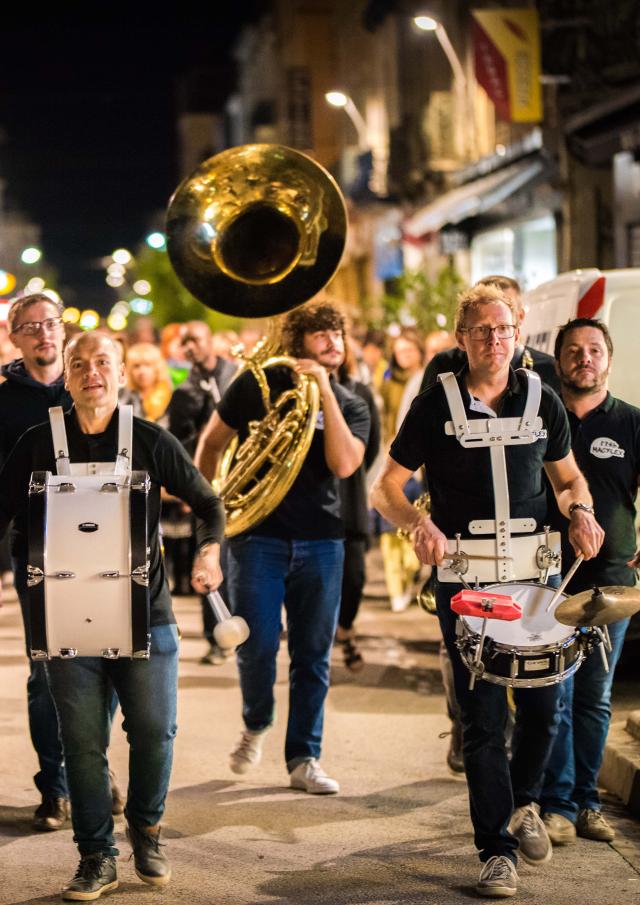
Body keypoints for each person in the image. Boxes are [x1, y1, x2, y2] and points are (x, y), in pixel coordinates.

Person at [371, 284, 604, 897]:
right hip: (467, 581)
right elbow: (385, 487)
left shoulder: (543, 398)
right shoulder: (434, 404)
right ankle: (495, 850)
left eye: (502, 329)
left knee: (544, 708)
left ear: (517, 334)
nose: (493, 340)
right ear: (462, 338)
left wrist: (580, 510)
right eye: (481, 330)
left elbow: (568, 478)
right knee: (481, 718)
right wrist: (416, 523)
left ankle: (524, 802)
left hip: (537, 577)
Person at [0, 331, 225, 900]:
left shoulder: (150, 439)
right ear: (67, 377)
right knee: (81, 743)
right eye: (79, 364)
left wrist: (208, 553)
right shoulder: (36, 442)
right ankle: (96, 856)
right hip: (64, 618)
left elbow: (207, 503)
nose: (91, 373)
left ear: (121, 373)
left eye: (103, 362)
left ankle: (146, 831)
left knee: (154, 731)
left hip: (147, 614)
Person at [195, 301, 370, 793]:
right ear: (298, 341)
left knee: (313, 655)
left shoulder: (353, 403)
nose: (332, 341)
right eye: (320, 334)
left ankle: (304, 757)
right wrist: (211, 503)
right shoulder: (258, 384)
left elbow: (344, 465)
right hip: (257, 538)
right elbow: (211, 443)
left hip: (323, 541)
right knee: (257, 646)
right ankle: (256, 723)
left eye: (337, 333)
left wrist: (324, 393)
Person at [540, 318, 640, 846]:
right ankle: (556, 803)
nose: (585, 358)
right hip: (547, 579)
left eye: (595, 350)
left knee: (594, 697)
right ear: (558, 361)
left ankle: (587, 802)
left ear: (609, 359)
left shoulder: (631, 421)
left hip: (612, 582)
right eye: (574, 350)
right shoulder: (541, 416)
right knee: (554, 694)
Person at [0, 293, 86, 830]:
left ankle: (91, 772)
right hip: (36, 549)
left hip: (101, 548)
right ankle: (55, 786)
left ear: (62, 329)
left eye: (50, 323)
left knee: (101, 664)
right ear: (15, 338)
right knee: (45, 672)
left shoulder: (90, 385)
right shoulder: (4, 403)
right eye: (30, 327)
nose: (43, 334)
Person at [166, 320, 236, 651]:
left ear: (210, 340)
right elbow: (179, 443)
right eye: (185, 342)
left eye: (195, 339)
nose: (190, 347)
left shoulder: (234, 376)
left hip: (240, 480)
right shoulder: (183, 391)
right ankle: (216, 635)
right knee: (209, 555)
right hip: (206, 483)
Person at [419, 276, 560, 394]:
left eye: (503, 326)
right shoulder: (444, 364)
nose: (494, 339)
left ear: (520, 316)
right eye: (481, 328)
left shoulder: (548, 370)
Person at [334, 340, 381, 671]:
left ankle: (345, 627)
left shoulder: (359, 393)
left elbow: (372, 445)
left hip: (349, 503)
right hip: (311, 512)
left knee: (354, 577)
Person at [121, 342, 173, 424]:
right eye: (136, 366)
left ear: (158, 368)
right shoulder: (125, 397)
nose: (142, 371)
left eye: (147, 365)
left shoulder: (170, 395)